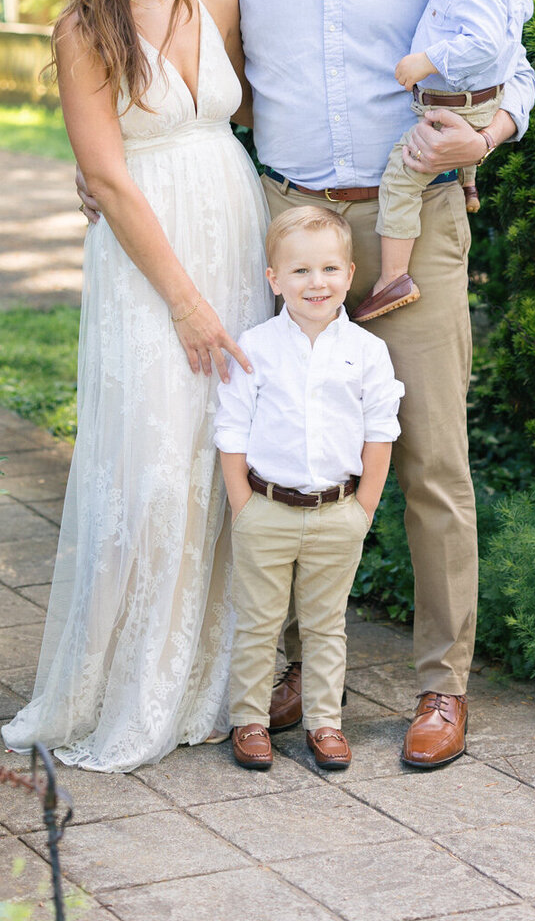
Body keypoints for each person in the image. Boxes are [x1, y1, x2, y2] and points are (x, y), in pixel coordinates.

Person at [198, 0, 535, 769]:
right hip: (293, 221)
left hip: (415, 221)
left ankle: (441, 686)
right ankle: (294, 669)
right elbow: (193, 68)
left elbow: (506, 48)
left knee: (433, 459)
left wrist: (498, 128)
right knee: (286, 450)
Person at [4, 0, 270, 772]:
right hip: (147, 258)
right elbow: (108, 180)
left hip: (234, 232)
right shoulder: (84, 28)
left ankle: (216, 681)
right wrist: (188, 305)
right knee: (150, 464)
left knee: (222, 457)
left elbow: (234, 115)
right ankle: (118, 685)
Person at [216, 206, 403, 772]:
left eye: (327, 269)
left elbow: (380, 432)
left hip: (337, 511)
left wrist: (364, 507)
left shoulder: (367, 352)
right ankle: (249, 721)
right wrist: (242, 506)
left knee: (326, 625)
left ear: (348, 274)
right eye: (299, 271)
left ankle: (325, 724)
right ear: (274, 280)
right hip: (266, 509)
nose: (314, 283)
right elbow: (231, 431)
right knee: (258, 622)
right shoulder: (256, 347)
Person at [353, 0, 533, 323]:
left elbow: (485, 46)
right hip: (474, 105)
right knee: (458, 136)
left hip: (455, 109)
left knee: (401, 177)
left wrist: (425, 61)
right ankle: (468, 183)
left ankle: (393, 276)